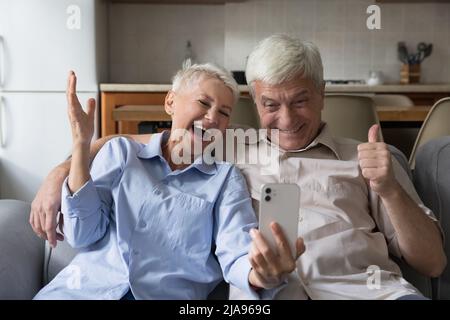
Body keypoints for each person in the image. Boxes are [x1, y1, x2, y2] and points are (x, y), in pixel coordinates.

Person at [31, 35, 446, 300]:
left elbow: (433, 265)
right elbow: (142, 145)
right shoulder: (227, 151)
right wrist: (63, 169)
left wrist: (389, 188)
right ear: (254, 103)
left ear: (322, 94)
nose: (286, 119)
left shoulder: (370, 160)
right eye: (270, 105)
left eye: (300, 100)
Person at [33, 63, 303, 299]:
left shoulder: (224, 180)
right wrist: (81, 145)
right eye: (203, 103)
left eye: (224, 112)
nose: (212, 118)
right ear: (171, 102)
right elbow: (82, 234)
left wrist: (262, 275)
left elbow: (237, 254)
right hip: (84, 292)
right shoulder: (121, 154)